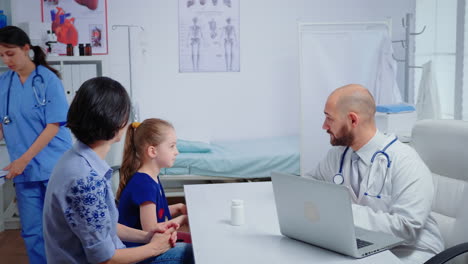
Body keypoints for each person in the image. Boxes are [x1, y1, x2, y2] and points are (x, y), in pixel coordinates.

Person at [43, 77, 194, 264]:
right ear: (119, 122)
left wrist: (147, 237)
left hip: (114, 251)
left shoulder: (75, 160)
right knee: (193, 254)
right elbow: (104, 259)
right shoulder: (86, 180)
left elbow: (105, 227)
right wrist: (154, 247)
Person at [305, 84, 443, 264]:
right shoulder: (338, 156)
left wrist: (340, 213)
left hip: (411, 252)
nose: (324, 126)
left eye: (329, 118)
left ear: (353, 120)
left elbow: (406, 228)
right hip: (365, 246)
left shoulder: (405, 162)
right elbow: (309, 183)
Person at [0, 25, 72, 264]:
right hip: (24, 170)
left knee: (62, 230)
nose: (6, 59)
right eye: (1, 55)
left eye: (10, 53)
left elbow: (53, 126)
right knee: (32, 232)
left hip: (53, 166)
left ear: (26, 48)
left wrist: (23, 159)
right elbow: (3, 122)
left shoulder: (48, 80)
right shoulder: (4, 83)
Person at [117, 118, 190, 247]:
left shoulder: (151, 177)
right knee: (191, 252)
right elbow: (153, 234)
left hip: (146, 247)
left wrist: (178, 207)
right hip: (139, 253)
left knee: (193, 241)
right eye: (172, 146)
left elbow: (157, 212)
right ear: (152, 151)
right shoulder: (145, 185)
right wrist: (183, 219)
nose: (176, 152)